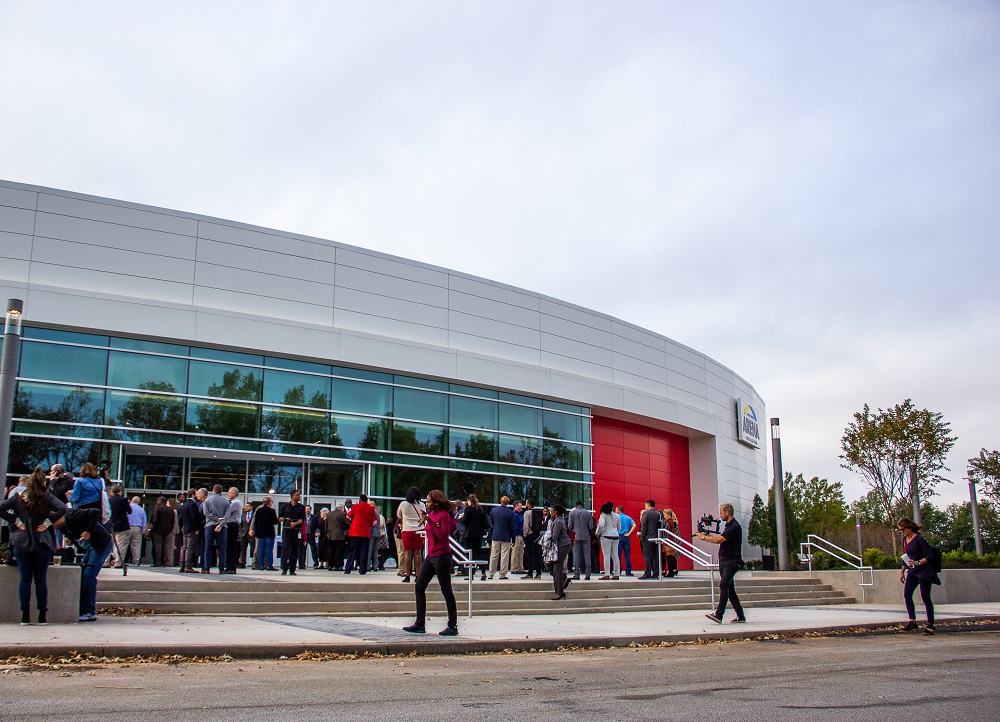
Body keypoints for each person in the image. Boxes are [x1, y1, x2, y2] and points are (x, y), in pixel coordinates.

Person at [0, 467, 66, 625]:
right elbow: (63, 508)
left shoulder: (18, 497)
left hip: (22, 541)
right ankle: (42, 615)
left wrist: (16, 521)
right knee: (41, 580)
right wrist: (47, 522)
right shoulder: (47, 497)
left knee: (25, 579)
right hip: (42, 541)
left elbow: (1, 508)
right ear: (43, 482)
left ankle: (25, 616)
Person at [403, 489, 459, 636]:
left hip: (442, 555)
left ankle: (452, 625)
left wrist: (431, 523)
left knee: (446, 589)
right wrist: (427, 520)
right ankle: (419, 623)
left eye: (428, 501)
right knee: (419, 585)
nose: (426, 503)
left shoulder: (443, 515)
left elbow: (443, 536)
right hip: (431, 556)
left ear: (436, 502)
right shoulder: (431, 515)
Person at [55, 506, 112, 622]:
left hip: (100, 543)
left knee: (89, 575)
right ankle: (83, 608)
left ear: (59, 518)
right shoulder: (62, 527)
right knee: (82, 574)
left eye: (54, 523)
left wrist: (88, 531)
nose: (54, 526)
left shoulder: (72, 515)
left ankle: (89, 611)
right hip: (90, 547)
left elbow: (95, 511)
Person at [699, 502, 746, 624]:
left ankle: (719, 614)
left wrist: (704, 537)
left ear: (727, 512)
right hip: (725, 560)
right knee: (730, 589)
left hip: (731, 561)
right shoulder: (729, 526)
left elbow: (718, 540)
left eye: (721, 513)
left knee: (724, 585)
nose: (720, 515)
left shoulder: (734, 527)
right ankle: (740, 615)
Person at [898, 517, 941, 634]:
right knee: (907, 594)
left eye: (903, 529)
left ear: (909, 528)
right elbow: (906, 556)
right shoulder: (905, 540)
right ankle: (912, 622)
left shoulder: (919, 539)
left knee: (925, 597)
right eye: (900, 530)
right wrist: (902, 571)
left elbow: (929, 555)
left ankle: (930, 625)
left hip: (924, 571)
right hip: (912, 571)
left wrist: (918, 562)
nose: (902, 532)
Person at [396, 487, 426, 583]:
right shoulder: (422, 504)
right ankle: (418, 575)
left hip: (407, 530)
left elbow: (399, 515)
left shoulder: (403, 504)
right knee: (418, 554)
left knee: (407, 553)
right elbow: (423, 517)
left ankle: (407, 575)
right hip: (419, 530)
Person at [343, 493, 377, 574]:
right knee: (364, 551)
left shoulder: (355, 507)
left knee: (352, 551)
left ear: (360, 499)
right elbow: (374, 522)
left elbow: (348, 516)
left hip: (355, 532)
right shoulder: (371, 509)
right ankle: (362, 570)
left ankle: (348, 569)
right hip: (365, 532)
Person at [202, 485, 230, 574]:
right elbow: (227, 515)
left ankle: (207, 568)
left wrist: (215, 519)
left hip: (210, 525)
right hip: (222, 527)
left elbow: (206, 513)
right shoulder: (226, 501)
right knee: (222, 547)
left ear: (213, 491)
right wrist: (220, 524)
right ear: (221, 491)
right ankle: (221, 568)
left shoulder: (208, 500)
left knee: (208, 547)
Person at [487, 496, 516, 580]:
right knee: (504, 556)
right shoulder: (510, 513)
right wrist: (513, 538)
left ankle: (491, 573)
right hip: (506, 536)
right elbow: (512, 527)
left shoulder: (494, 511)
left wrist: (490, 535)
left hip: (495, 535)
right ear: (507, 502)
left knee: (494, 555)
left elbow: (491, 525)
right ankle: (502, 574)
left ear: (501, 501)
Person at [547, 505, 572, 600]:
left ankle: (559, 592)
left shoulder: (558, 522)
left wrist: (546, 536)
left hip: (563, 546)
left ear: (555, 512)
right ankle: (564, 578)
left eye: (551, 510)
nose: (550, 512)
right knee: (551, 565)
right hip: (562, 545)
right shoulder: (559, 520)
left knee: (557, 567)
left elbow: (554, 537)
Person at [279, 490, 306, 575]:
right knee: (285, 548)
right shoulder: (285, 506)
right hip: (286, 530)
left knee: (295, 550)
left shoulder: (301, 507)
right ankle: (284, 568)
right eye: (297, 495)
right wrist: (285, 520)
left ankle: (292, 568)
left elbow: (302, 519)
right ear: (292, 496)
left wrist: (294, 523)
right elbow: (279, 517)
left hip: (296, 530)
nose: (299, 496)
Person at [178, 488, 205, 573]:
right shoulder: (193, 504)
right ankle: (188, 566)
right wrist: (196, 528)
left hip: (185, 528)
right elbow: (194, 517)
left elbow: (180, 518)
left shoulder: (184, 504)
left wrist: (182, 526)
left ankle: (182, 565)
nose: (197, 496)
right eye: (196, 494)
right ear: (193, 495)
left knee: (184, 548)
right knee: (190, 548)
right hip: (191, 529)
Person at [567, 500, 594, 580]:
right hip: (586, 536)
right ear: (583, 505)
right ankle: (588, 574)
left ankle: (576, 573)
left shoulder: (572, 513)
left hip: (576, 536)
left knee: (576, 555)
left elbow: (570, 526)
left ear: (576, 505)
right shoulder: (588, 513)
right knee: (587, 555)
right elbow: (591, 526)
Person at [252, 496, 279, 570]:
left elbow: (256, 522)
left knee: (261, 549)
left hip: (260, 533)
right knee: (269, 549)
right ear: (269, 502)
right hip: (269, 532)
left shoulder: (258, 511)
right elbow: (275, 522)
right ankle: (269, 565)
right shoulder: (272, 511)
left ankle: (261, 565)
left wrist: (256, 532)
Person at [596, 501, 621, 580]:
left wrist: (598, 532)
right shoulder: (617, 515)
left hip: (606, 536)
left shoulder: (603, 515)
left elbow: (601, 525)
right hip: (615, 536)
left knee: (606, 555)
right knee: (615, 556)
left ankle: (607, 574)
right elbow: (619, 527)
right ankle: (616, 574)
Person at [108, 484, 132, 568]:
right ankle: (118, 562)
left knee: (108, 543)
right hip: (121, 524)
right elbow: (129, 511)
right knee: (119, 544)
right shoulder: (123, 500)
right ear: (120, 491)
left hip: (111, 523)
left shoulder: (109, 500)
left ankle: (105, 561)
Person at [638, 499, 662, 579]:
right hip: (656, 537)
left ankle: (647, 573)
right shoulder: (658, 514)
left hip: (648, 538)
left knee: (646, 555)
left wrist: (642, 537)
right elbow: (659, 525)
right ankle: (656, 573)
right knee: (655, 556)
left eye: (645, 505)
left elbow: (644, 526)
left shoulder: (646, 513)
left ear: (648, 505)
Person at [521, 498, 544, 579]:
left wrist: (524, 535)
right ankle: (538, 573)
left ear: (529, 504)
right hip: (537, 535)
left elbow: (526, 526)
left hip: (530, 535)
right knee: (538, 555)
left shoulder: (527, 513)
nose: (525, 504)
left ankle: (530, 573)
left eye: (526, 503)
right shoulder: (538, 512)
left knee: (530, 555)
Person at [149, 497, 175, 566]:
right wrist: (170, 529)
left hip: (158, 530)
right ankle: (165, 561)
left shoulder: (158, 508)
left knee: (158, 545)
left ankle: (158, 561)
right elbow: (173, 521)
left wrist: (153, 529)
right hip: (167, 529)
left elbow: (155, 520)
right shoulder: (170, 509)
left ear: (159, 501)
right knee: (165, 545)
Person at [324, 503, 349, 571]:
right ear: (341, 507)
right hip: (340, 536)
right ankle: (337, 565)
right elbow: (348, 524)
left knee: (331, 551)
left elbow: (326, 524)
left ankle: (330, 565)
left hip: (330, 535)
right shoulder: (342, 514)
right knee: (339, 551)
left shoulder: (329, 514)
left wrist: (326, 533)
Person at [125, 496, 147, 565]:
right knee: (136, 545)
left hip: (127, 527)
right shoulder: (141, 509)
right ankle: (136, 561)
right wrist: (144, 530)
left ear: (132, 500)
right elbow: (144, 520)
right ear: (138, 502)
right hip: (137, 528)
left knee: (124, 545)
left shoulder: (127, 507)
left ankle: (120, 560)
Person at [224, 487, 242, 573]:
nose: (228, 494)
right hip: (229, 524)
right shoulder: (231, 502)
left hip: (232, 525)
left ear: (235, 493)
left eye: (230, 492)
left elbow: (227, 511)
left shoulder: (236, 502)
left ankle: (231, 567)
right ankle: (228, 566)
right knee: (228, 546)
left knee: (231, 546)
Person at [615, 505, 636, 576]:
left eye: (616, 510)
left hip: (619, 536)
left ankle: (618, 571)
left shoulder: (616, 517)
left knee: (618, 555)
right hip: (626, 537)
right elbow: (634, 525)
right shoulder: (628, 517)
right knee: (627, 555)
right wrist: (629, 533)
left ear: (618, 510)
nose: (615, 511)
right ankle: (628, 571)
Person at [662, 509, 679, 577]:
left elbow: (667, 532)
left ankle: (670, 571)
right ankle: (673, 570)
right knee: (672, 556)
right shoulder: (673, 522)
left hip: (668, 541)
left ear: (669, 515)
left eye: (665, 515)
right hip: (671, 541)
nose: (664, 517)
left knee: (669, 556)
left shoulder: (668, 522)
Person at [510, 501, 525, 574]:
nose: (521, 507)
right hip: (516, 535)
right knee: (515, 552)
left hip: (521, 535)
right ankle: (514, 568)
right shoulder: (514, 514)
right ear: (516, 506)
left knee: (521, 552)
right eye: (520, 505)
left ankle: (520, 568)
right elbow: (514, 526)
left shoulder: (520, 515)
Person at [238, 502, 254, 568]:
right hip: (243, 534)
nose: (246, 508)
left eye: (247, 506)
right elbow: (241, 524)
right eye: (245, 506)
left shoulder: (254, 514)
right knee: (243, 549)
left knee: (253, 548)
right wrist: (240, 532)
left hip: (251, 534)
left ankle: (254, 563)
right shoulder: (243, 515)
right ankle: (242, 563)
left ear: (251, 507)